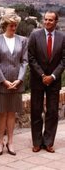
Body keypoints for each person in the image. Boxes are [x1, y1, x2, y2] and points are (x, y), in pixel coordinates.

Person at [28, 11, 65, 153]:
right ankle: (37, 142)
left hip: (54, 82)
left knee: (52, 112)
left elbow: (63, 60)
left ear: (56, 22)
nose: (47, 22)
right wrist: (43, 75)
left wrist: (53, 76)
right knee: (36, 111)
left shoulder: (62, 37)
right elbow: (31, 57)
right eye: (46, 19)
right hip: (38, 80)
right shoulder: (34, 35)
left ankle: (48, 142)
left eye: (51, 20)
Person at [0, 13, 28, 156]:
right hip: (2, 83)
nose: (14, 28)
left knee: (12, 113)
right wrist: (4, 81)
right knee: (2, 114)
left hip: (16, 82)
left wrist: (19, 80)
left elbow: (24, 61)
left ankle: (11, 142)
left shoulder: (23, 40)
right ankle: (0, 142)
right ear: (4, 26)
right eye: (11, 25)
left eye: (15, 25)